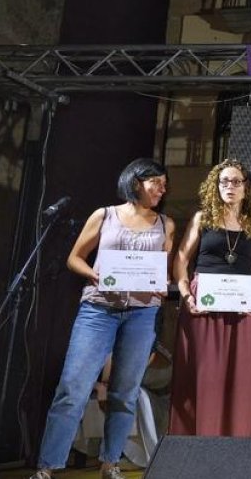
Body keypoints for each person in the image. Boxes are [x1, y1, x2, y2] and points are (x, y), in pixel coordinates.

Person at [30, 159, 175, 479]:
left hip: (141, 313)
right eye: (156, 183)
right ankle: (47, 467)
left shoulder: (166, 224)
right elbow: (74, 259)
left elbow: (161, 271)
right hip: (98, 310)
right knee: (73, 388)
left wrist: (161, 284)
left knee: (126, 391)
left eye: (164, 185)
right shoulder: (105, 215)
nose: (162, 189)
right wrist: (95, 275)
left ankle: (111, 464)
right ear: (136, 181)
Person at [169, 158, 251, 437]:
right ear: (216, 186)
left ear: (245, 187)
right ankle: (198, 441)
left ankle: (236, 442)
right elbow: (181, 258)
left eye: (236, 181)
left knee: (241, 378)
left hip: (243, 306)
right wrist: (186, 292)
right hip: (204, 304)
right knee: (204, 375)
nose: (230, 186)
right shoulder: (203, 218)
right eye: (224, 181)